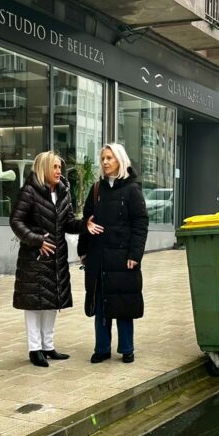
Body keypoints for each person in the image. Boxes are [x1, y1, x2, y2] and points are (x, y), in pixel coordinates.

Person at [10, 151, 86, 367]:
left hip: (56, 258)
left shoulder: (63, 192)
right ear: (44, 168)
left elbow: (68, 223)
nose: (59, 171)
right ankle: (35, 349)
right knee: (34, 304)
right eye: (54, 167)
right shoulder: (29, 191)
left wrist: (85, 225)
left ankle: (48, 346)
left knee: (52, 302)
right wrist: (37, 241)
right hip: (34, 258)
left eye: (60, 167)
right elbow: (16, 221)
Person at [81, 143, 149, 364]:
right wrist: (83, 250)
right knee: (101, 304)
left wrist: (135, 255)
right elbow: (87, 220)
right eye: (103, 158)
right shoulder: (96, 189)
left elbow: (140, 224)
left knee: (123, 303)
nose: (105, 162)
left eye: (109, 158)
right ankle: (102, 349)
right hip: (99, 256)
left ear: (120, 160)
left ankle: (127, 348)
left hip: (122, 258)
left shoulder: (132, 190)